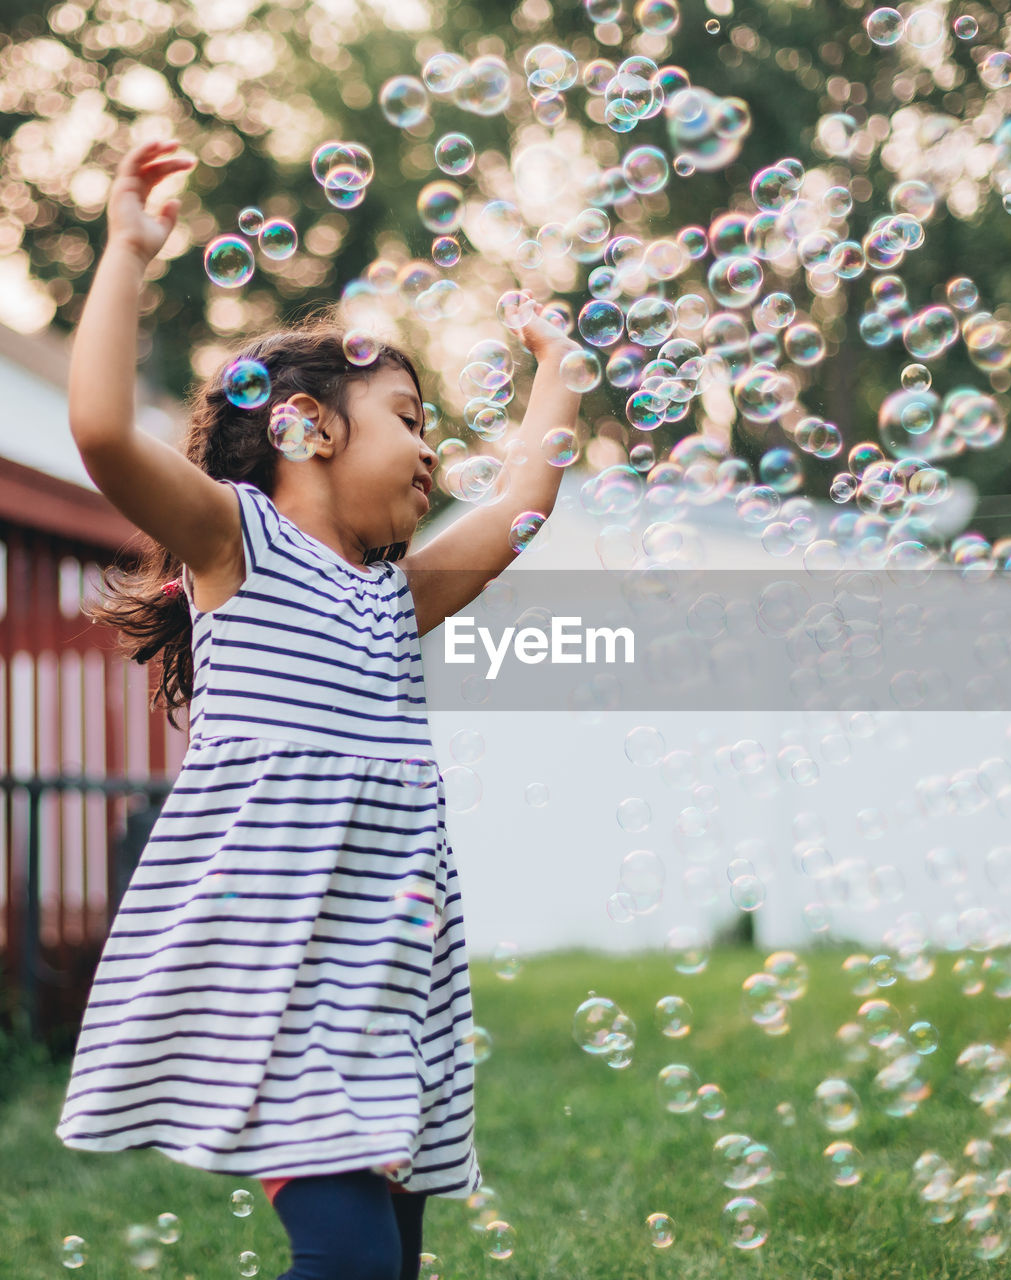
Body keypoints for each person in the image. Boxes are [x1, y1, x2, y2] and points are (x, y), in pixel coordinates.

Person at [55, 139, 583, 1280]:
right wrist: (128, 251)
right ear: (308, 428)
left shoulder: (392, 595)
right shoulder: (239, 545)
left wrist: (558, 369)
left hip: (382, 988)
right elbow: (99, 430)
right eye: (408, 414)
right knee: (346, 1262)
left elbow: (515, 517)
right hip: (280, 988)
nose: (432, 447)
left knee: (384, 1263)